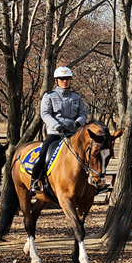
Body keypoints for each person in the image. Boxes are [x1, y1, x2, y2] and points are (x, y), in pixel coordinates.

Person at [29, 66, 88, 194]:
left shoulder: (76, 97)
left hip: (73, 134)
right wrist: (58, 126)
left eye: (67, 78)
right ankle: (35, 181)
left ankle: (93, 182)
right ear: (56, 80)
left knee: (90, 153)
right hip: (56, 133)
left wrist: (77, 123)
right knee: (43, 153)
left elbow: (83, 113)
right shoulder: (49, 96)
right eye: (62, 79)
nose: (64, 81)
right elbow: (45, 114)